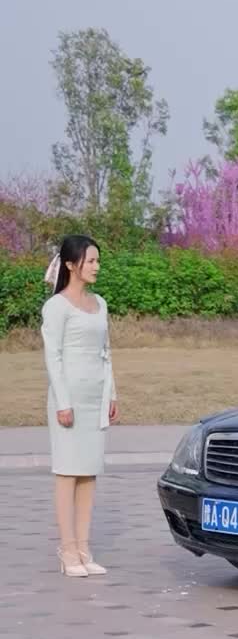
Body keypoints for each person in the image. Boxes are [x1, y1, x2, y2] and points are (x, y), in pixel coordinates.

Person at [41, 235, 117, 577]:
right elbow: (53, 357)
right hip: (68, 398)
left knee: (89, 471)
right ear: (72, 265)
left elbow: (106, 353)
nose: (97, 267)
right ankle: (68, 550)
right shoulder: (56, 307)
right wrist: (63, 402)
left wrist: (111, 394)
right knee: (68, 471)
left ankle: (84, 549)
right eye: (91, 261)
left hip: (95, 398)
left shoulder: (100, 303)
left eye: (98, 261)